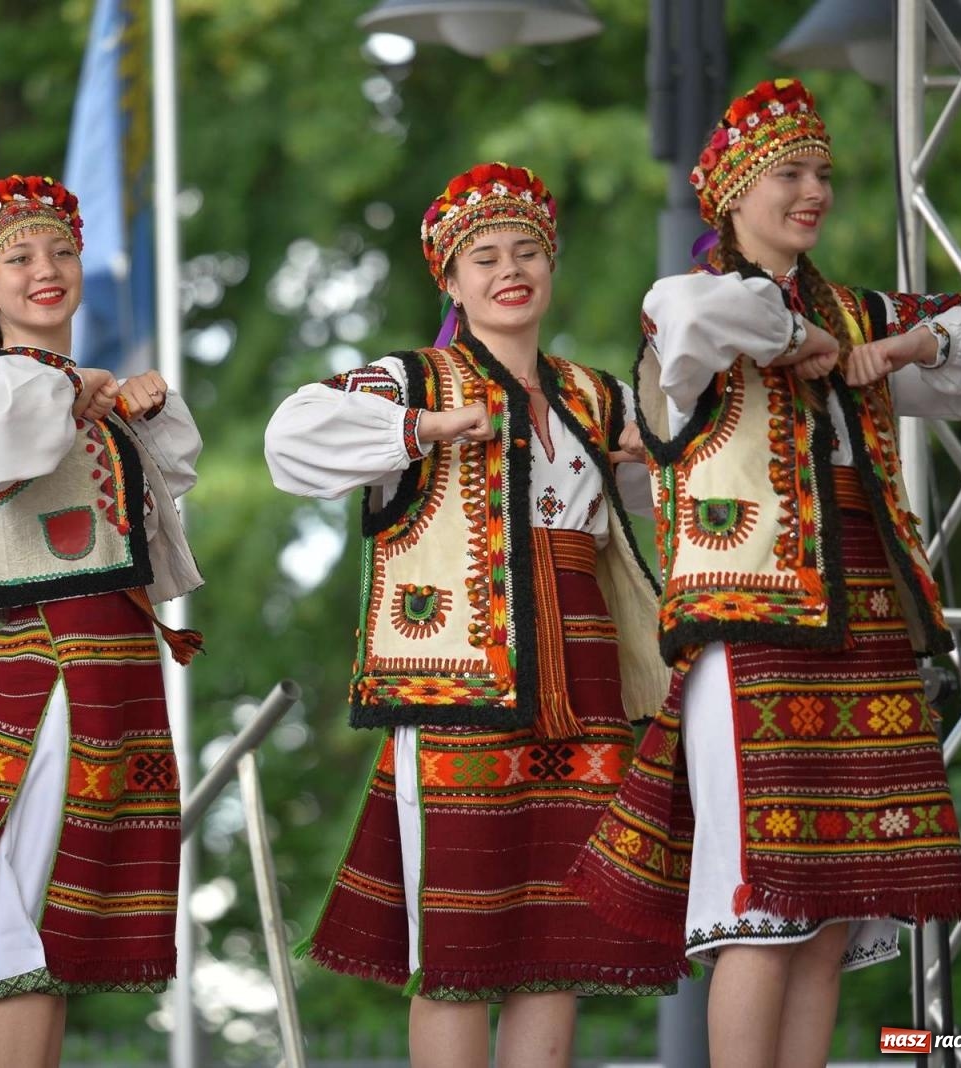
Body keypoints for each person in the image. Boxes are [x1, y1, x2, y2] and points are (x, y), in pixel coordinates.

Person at [566, 78, 961, 1068]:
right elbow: (688, 313)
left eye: (822, 172)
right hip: (752, 637)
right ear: (734, 191)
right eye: (788, 173)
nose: (814, 190)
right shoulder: (700, 312)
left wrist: (913, 342)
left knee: (828, 918)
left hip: (864, 630)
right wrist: (805, 339)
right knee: (763, 911)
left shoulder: (859, 314)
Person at [265, 162, 683, 1068]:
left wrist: (655, 456)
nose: (509, 270)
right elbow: (290, 437)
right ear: (451, 282)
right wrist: (422, 429)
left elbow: (660, 496)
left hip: (584, 682)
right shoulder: (414, 379)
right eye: (484, 257)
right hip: (461, 686)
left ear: (552, 264)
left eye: (526, 250)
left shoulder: (595, 394)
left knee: (556, 946)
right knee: (458, 952)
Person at [0, 174, 204, 1068]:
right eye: (20, 258)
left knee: (57, 935)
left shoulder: (74, 390)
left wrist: (139, 406)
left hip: (111, 665)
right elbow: (14, 448)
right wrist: (87, 393)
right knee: (21, 926)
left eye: (62, 251)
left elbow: (170, 478)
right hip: (55, 668)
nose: (47, 269)